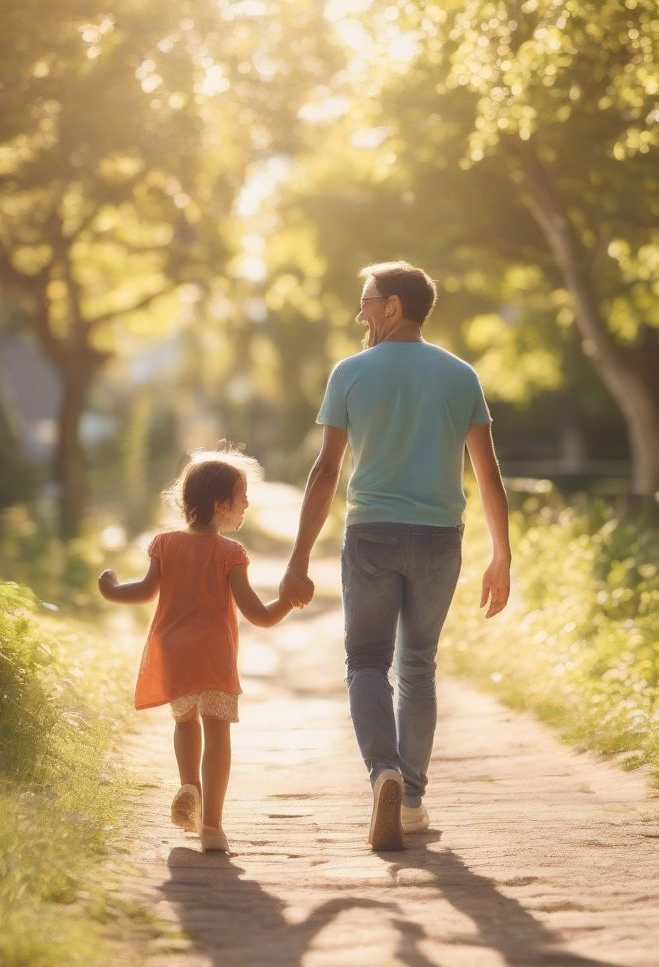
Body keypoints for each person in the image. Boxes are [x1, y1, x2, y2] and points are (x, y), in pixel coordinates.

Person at [280, 260, 511, 852]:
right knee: (418, 667)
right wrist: (501, 556)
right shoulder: (461, 375)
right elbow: (487, 472)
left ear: (393, 307)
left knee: (364, 662)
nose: (360, 312)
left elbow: (326, 469)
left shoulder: (351, 373)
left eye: (367, 300)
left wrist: (299, 557)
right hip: (440, 538)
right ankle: (409, 801)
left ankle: (382, 770)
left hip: (372, 535)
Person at [98, 448, 294, 853]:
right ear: (222, 505)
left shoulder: (164, 544)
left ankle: (189, 785)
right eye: (242, 497)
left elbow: (144, 591)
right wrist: (288, 602)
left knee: (186, 723)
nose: (247, 505)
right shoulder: (230, 554)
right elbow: (257, 613)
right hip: (213, 655)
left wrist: (112, 589)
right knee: (217, 732)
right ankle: (213, 828)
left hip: (172, 652)